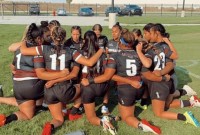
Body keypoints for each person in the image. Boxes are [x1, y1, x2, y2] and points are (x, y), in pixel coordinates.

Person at [20, 26, 105, 135]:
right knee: (83, 86)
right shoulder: (72, 51)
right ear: (65, 37)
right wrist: (101, 50)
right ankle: (74, 110)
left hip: (49, 91)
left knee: (58, 119)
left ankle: (50, 125)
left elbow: (23, 50)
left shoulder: (43, 48)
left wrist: (23, 41)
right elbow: (89, 63)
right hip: (65, 89)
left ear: (52, 36)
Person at [81, 29, 161, 135]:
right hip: (139, 88)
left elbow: (108, 76)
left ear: (121, 42)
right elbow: (147, 65)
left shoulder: (115, 56)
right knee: (128, 111)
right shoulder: (140, 54)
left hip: (126, 89)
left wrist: (90, 80)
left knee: (127, 117)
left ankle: (142, 125)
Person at [141, 23, 200, 127]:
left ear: (155, 33)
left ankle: (185, 117)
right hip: (166, 80)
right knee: (167, 104)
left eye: (146, 33)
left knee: (159, 112)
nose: (144, 35)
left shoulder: (155, 49)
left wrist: (160, 73)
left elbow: (149, 67)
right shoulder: (161, 47)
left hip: (160, 82)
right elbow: (170, 63)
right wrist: (163, 73)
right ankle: (191, 102)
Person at [0, 23, 48, 127]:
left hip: (18, 87)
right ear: (39, 38)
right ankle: (43, 104)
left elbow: (13, 67)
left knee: (27, 114)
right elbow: (41, 74)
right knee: (49, 79)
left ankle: (6, 119)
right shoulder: (37, 50)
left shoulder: (19, 49)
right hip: (31, 87)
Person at [92, 24, 110, 113]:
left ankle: (105, 104)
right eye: (95, 30)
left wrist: (107, 57)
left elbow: (107, 50)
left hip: (102, 60)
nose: (97, 31)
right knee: (93, 79)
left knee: (105, 80)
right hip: (93, 61)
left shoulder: (104, 38)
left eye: (99, 30)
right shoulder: (91, 38)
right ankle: (91, 100)